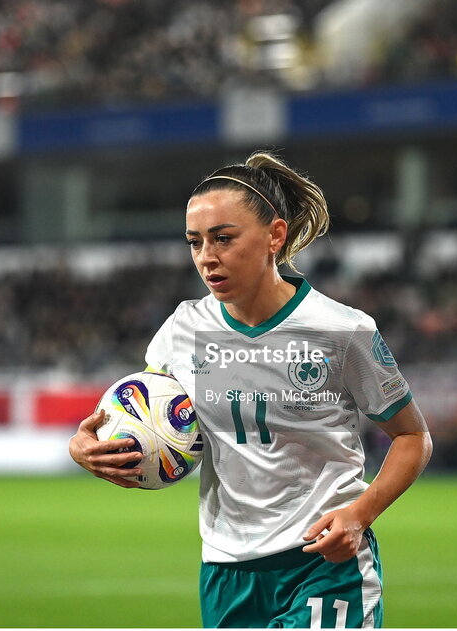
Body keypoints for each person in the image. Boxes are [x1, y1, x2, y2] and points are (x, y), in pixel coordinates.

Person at [69, 152, 432, 627]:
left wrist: (360, 514)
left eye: (223, 238)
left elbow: (413, 438)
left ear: (274, 236)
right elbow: (142, 417)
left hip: (324, 562)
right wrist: (86, 446)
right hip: (227, 571)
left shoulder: (343, 331)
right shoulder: (184, 329)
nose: (206, 257)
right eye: (194, 242)